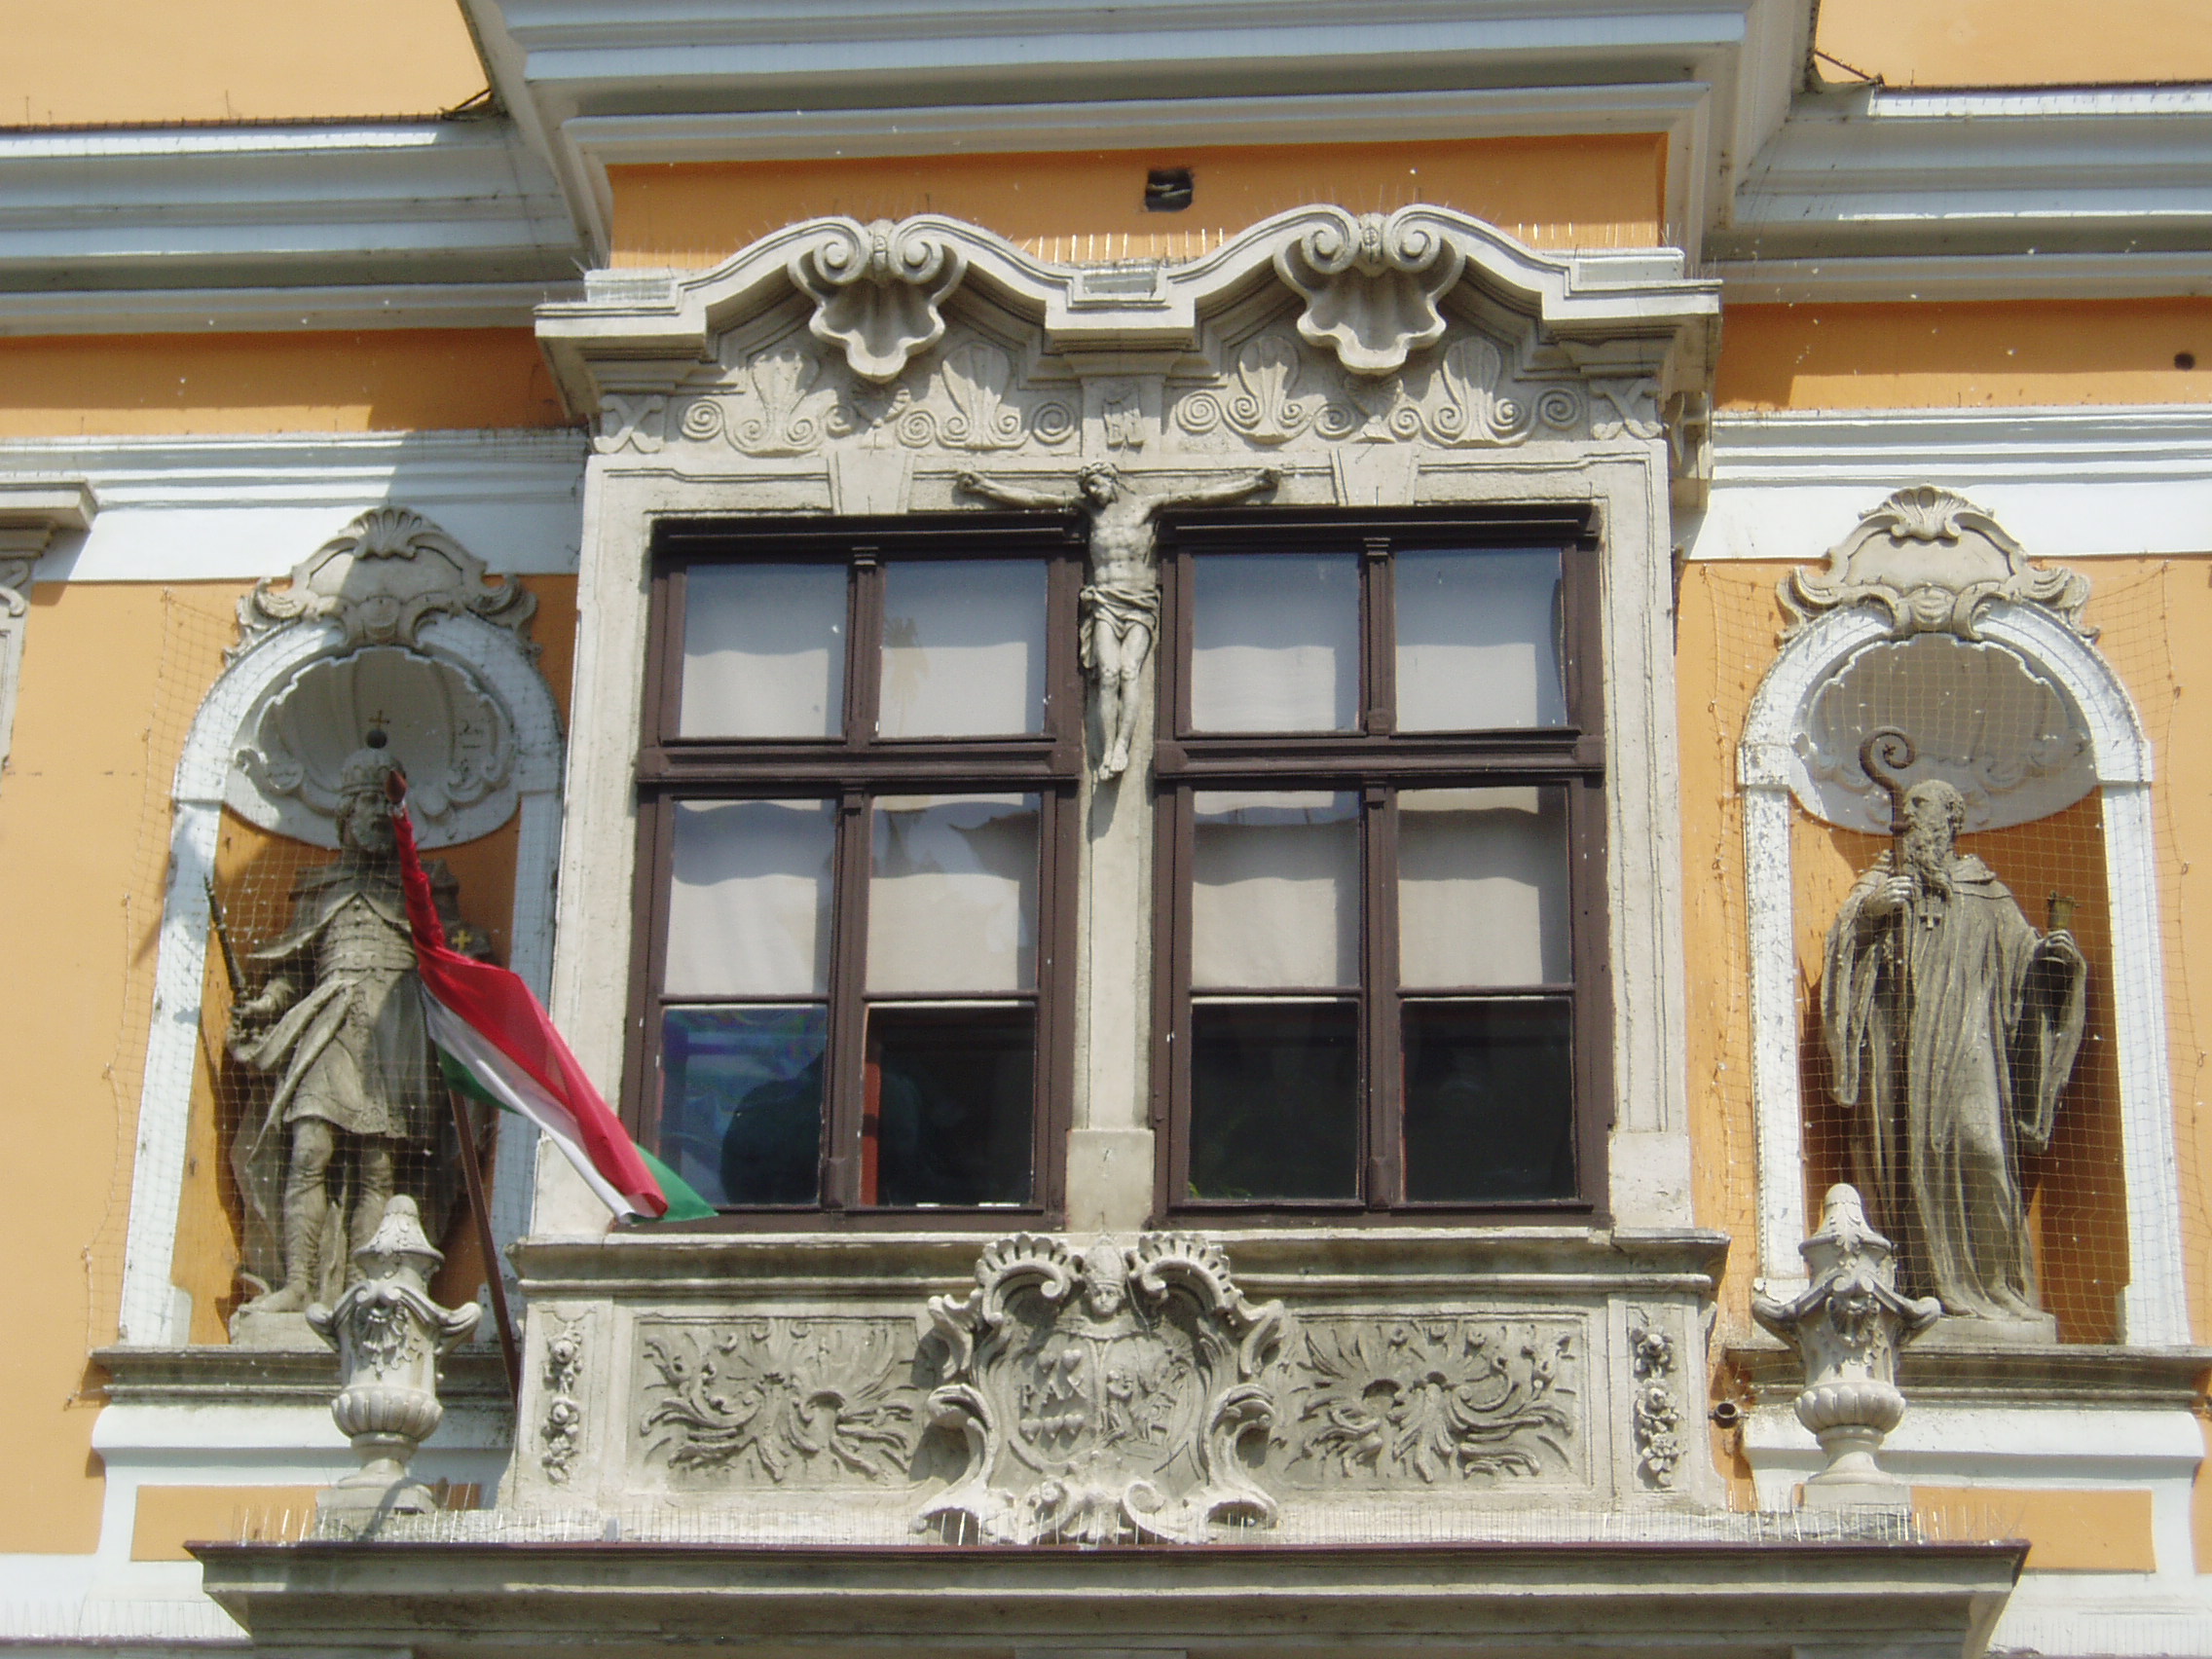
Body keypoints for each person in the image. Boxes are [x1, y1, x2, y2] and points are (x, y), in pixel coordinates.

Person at [228, 740, 490, 1316]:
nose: (375, 821)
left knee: (378, 1165)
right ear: (345, 818)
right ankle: (299, 1283)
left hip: (396, 1031)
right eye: (366, 809)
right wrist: (267, 1003)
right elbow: (295, 967)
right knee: (309, 1148)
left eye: (385, 811)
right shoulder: (320, 888)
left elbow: (454, 953)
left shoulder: (423, 887)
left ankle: (357, 1288)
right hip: (331, 1020)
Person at [1823, 778, 2087, 1324]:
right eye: (1908, 807)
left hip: (1971, 1041)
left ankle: (1994, 1288)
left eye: (1923, 806)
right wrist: (1871, 913)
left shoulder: (1986, 890)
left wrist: (2056, 963)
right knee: (1902, 1159)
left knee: (1984, 1148)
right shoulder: (1882, 882)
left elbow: (2025, 966)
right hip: (1899, 1051)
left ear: (1952, 818)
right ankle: (1914, 1283)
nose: (1911, 817)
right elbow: (1843, 953)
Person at [958, 461, 1280, 780]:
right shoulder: (1089, 511)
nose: (1094, 492)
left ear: (1111, 480)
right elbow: (1036, 499)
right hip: (1104, 602)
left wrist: (1254, 483)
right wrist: (984, 486)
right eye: (1089, 488)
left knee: (1129, 671)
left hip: (1139, 603)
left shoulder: (1145, 506)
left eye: (1097, 484)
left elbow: (1198, 497)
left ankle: (1122, 746)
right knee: (1108, 674)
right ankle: (1108, 747)